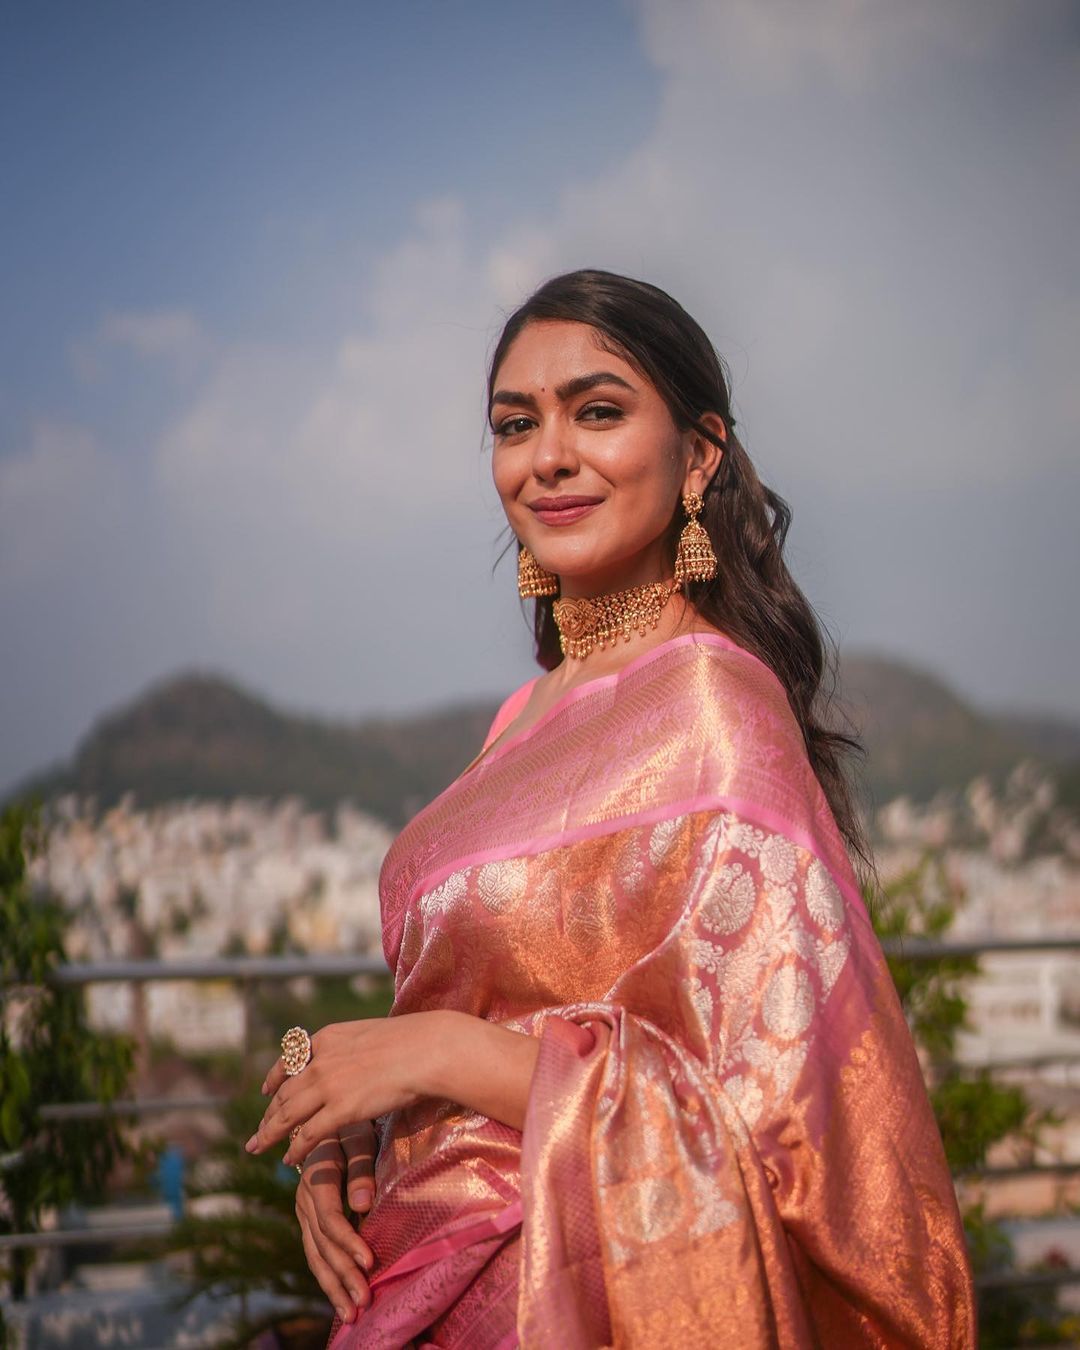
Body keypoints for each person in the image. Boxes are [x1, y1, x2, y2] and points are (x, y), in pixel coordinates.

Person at [246, 269, 976, 1347]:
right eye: (513, 424)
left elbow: (788, 1141)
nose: (547, 457)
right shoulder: (519, 719)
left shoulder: (714, 710)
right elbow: (489, 1005)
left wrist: (440, 1056)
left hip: (584, 1298)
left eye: (597, 411)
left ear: (700, 454)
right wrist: (353, 1127)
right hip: (423, 1279)